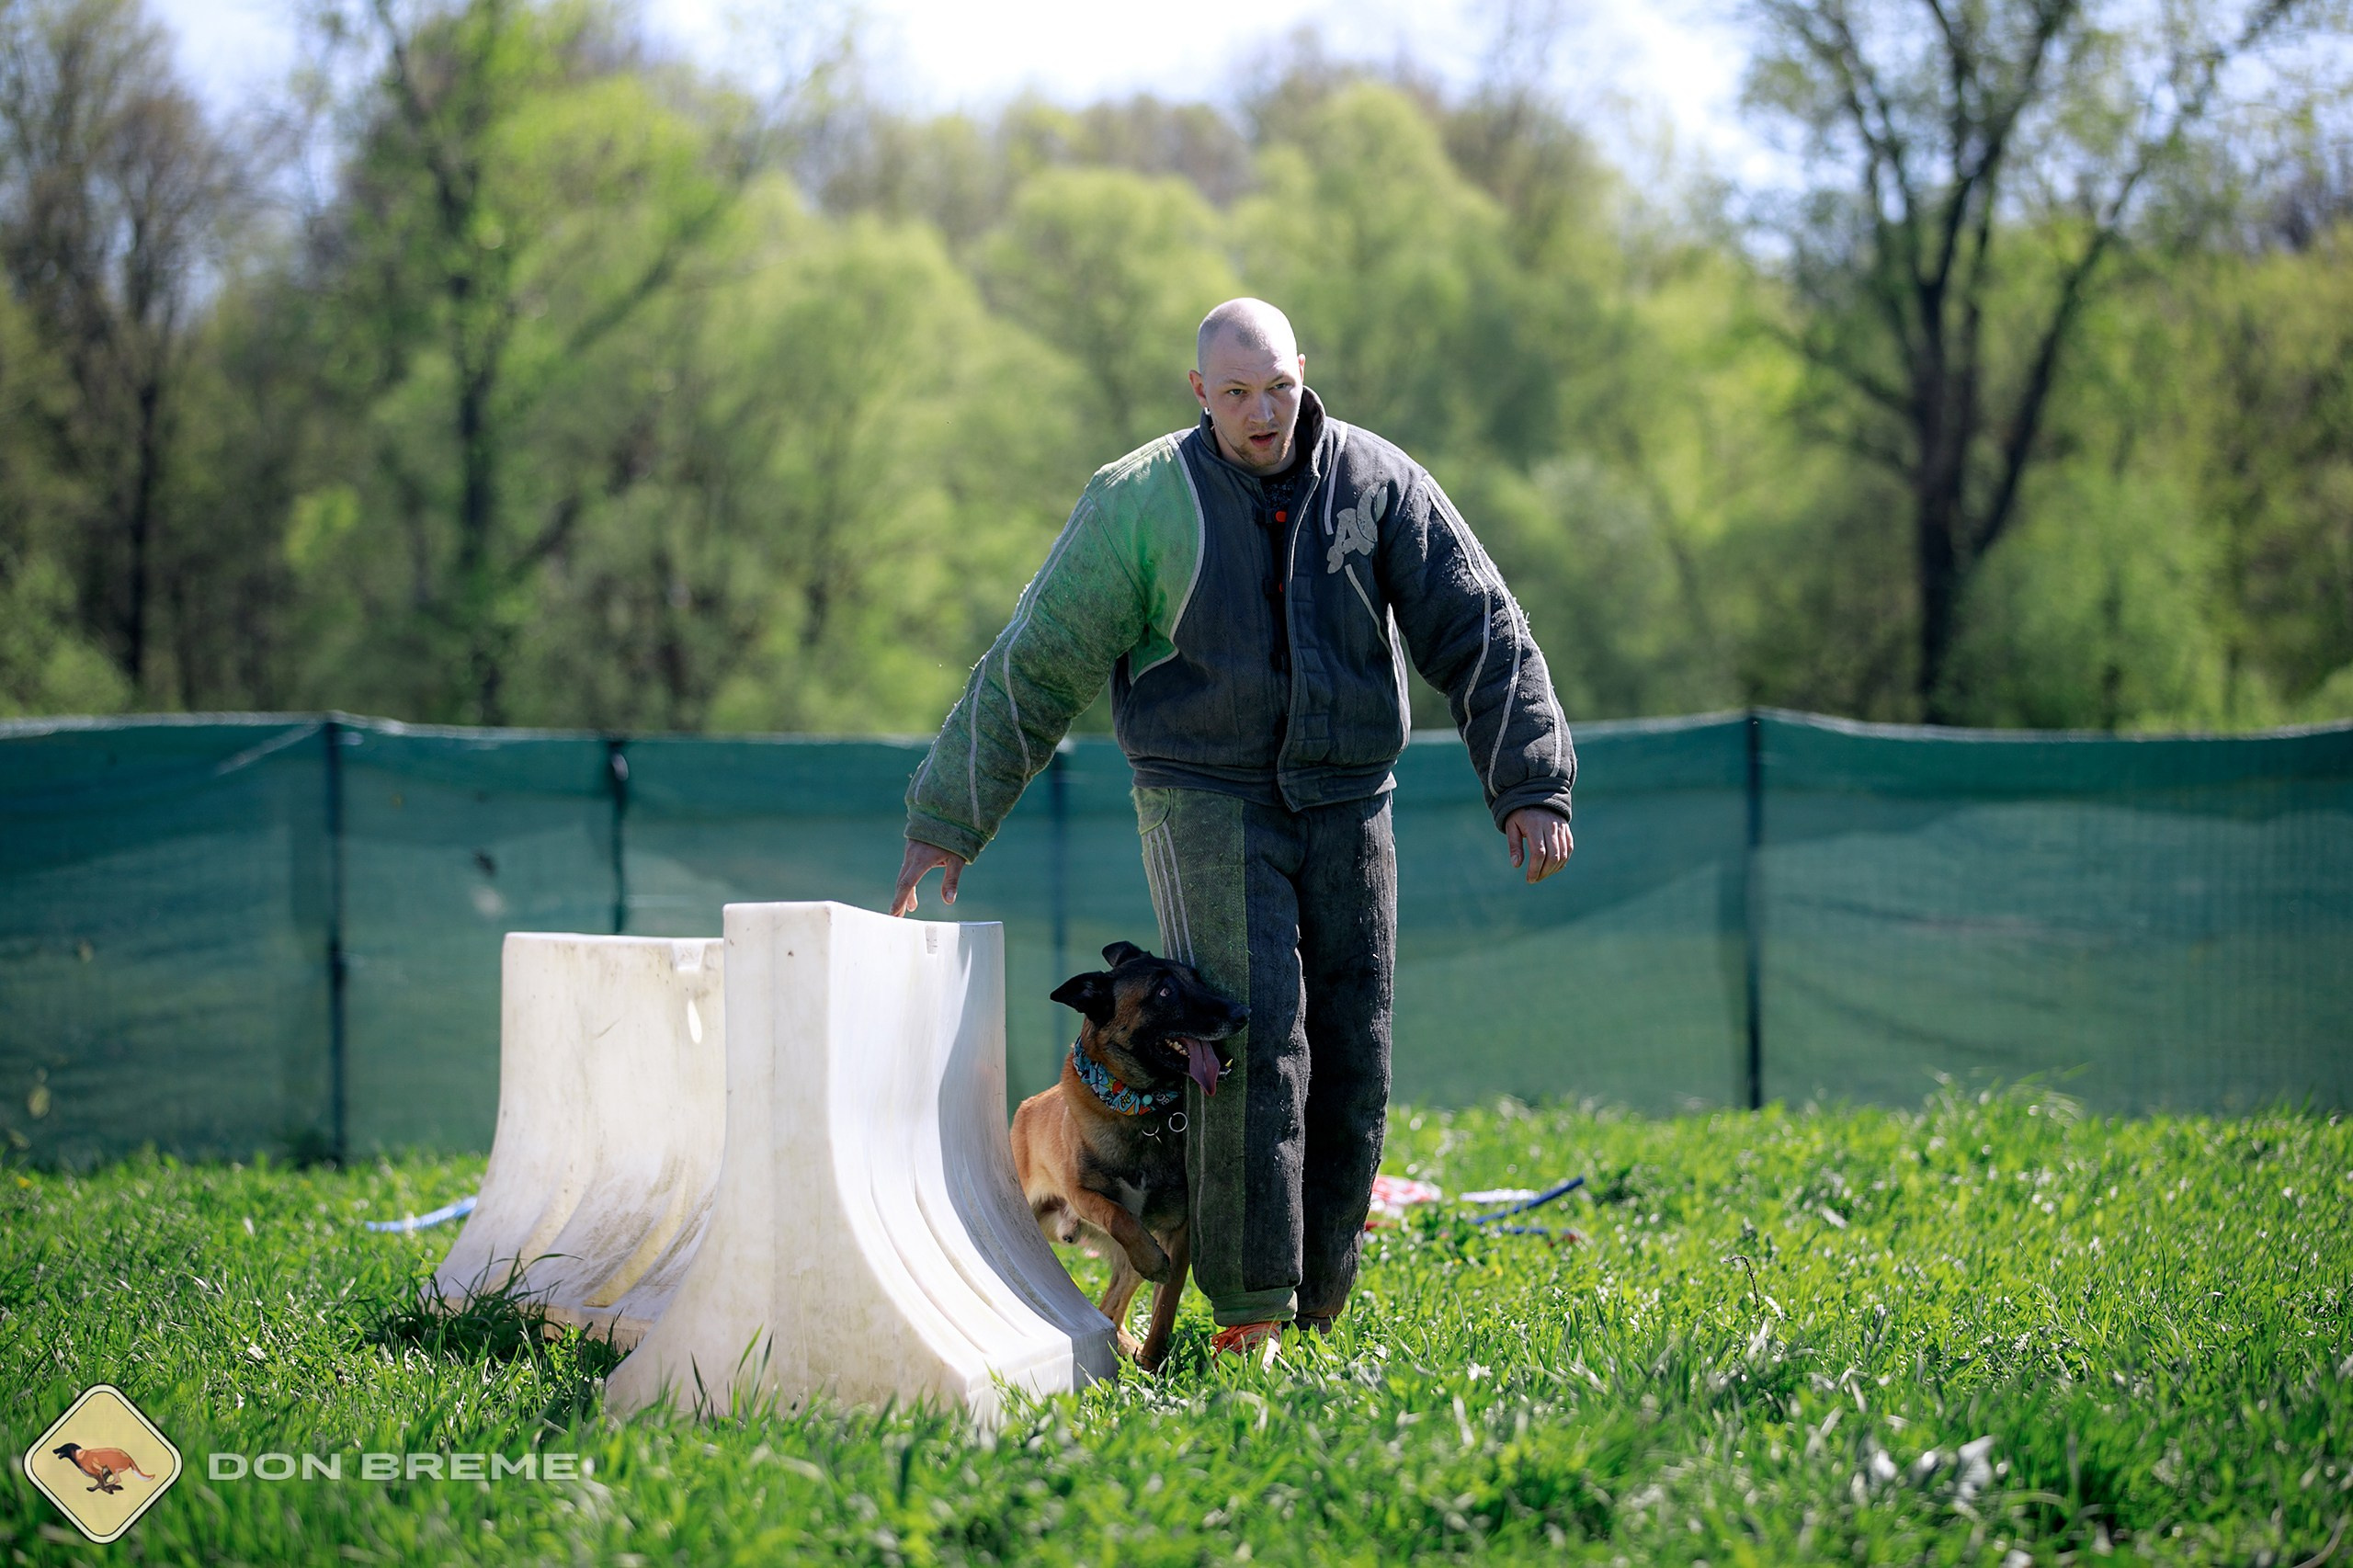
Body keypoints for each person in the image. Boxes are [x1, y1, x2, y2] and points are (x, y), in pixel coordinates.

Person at [892, 298, 1575, 1358]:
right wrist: (948, 815)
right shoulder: (1138, 500)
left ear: (1305, 371)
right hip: (1202, 794)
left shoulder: (1378, 482)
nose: (1264, 414)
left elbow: (1478, 622)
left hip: (1350, 791)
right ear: (1198, 395)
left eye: (1280, 388)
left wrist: (1530, 779)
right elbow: (1036, 661)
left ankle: (1317, 1308)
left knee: (1356, 1043)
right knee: (1247, 1036)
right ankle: (1247, 1315)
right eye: (1237, 394)